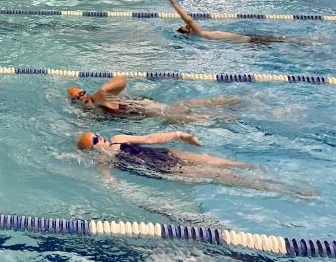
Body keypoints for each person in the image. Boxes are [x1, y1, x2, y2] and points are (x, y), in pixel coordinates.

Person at [76, 130, 315, 196]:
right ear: (92, 147)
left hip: (169, 154)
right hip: (165, 170)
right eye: (96, 139)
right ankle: (288, 190)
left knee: (218, 162)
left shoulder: (119, 138)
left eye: (97, 134)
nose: (102, 137)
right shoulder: (104, 163)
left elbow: (149, 138)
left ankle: (256, 167)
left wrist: (178, 135)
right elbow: (113, 186)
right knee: (221, 177)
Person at [68, 75, 239, 123]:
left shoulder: (100, 97)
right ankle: (235, 102)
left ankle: (235, 111)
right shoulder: (92, 112)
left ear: (87, 92)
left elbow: (122, 79)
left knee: (200, 118)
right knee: (189, 107)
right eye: (76, 97)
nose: (81, 97)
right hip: (152, 111)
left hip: (151, 109)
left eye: (81, 93)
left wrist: (103, 90)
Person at [165, 0, 287, 44]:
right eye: (185, 27)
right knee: (281, 40)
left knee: (279, 40)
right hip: (248, 42)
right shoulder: (197, 34)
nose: (187, 25)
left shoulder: (201, 34)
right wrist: (174, 3)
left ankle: (301, 42)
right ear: (187, 32)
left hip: (246, 39)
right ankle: (303, 42)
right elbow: (189, 19)